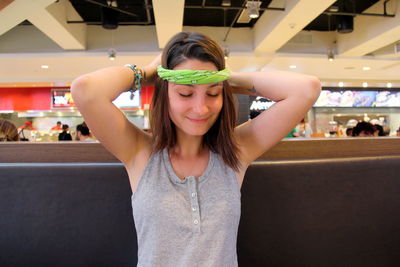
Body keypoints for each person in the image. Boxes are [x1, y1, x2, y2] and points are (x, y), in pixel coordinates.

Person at [71, 31, 321, 266]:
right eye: (185, 93)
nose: (201, 108)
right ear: (165, 93)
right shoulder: (139, 152)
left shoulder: (236, 151)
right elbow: (86, 90)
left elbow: (306, 89)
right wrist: (149, 73)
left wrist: (225, 77)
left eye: (212, 94)